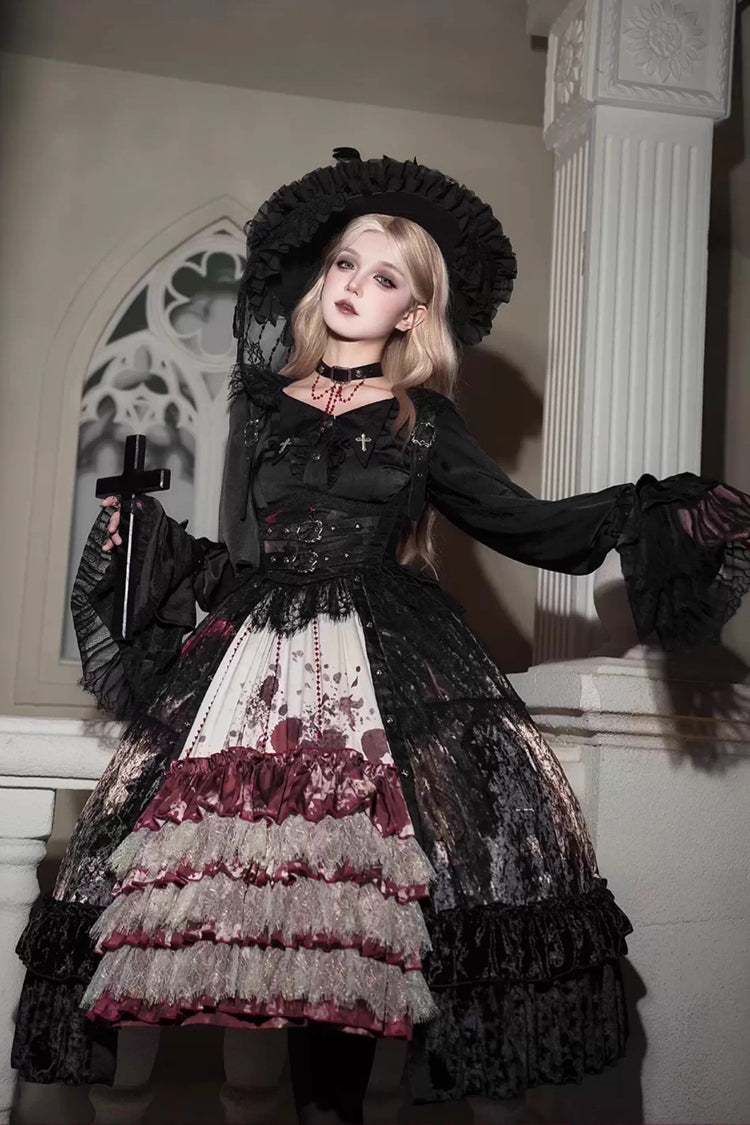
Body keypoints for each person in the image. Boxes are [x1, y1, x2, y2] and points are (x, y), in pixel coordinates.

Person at [11, 149, 750, 1125]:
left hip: (375, 678)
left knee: (363, 938)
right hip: (253, 683)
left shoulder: (423, 420)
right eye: (345, 263)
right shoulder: (266, 413)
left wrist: (662, 512)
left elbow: (525, 524)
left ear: (414, 311)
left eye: (385, 276)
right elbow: (241, 560)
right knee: (237, 926)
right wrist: (147, 545)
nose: (356, 284)